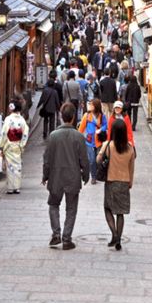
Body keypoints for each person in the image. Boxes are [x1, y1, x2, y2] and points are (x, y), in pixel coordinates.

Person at [42, 103, 89, 250]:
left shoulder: (53, 136)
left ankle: (56, 233)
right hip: (73, 177)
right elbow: (84, 159)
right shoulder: (79, 137)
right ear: (73, 117)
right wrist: (86, 175)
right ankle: (67, 239)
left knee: (53, 204)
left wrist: (45, 175)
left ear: (62, 117)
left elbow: (47, 159)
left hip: (55, 176)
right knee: (71, 208)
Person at [97, 117, 135, 251]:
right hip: (124, 182)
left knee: (107, 208)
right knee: (120, 212)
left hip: (111, 181)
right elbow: (131, 167)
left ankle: (114, 234)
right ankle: (118, 237)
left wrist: (101, 151)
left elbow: (98, 160)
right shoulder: (130, 148)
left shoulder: (109, 145)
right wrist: (130, 182)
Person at [0, 101, 29, 194]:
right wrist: (22, 144)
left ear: (11, 108)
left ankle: (11, 188)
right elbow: (25, 132)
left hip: (9, 145)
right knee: (18, 166)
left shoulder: (8, 119)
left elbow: (4, 132)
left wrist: (1, 145)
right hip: (18, 145)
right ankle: (17, 187)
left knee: (10, 167)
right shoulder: (22, 120)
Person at [78, 98, 108, 184]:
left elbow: (106, 125)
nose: (90, 106)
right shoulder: (87, 116)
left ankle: (98, 173)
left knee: (98, 159)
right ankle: (93, 177)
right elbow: (81, 129)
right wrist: (78, 139)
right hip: (89, 141)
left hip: (99, 141)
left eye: (92, 105)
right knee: (91, 160)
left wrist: (101, 129)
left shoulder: (102, 116)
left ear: (96, 106)